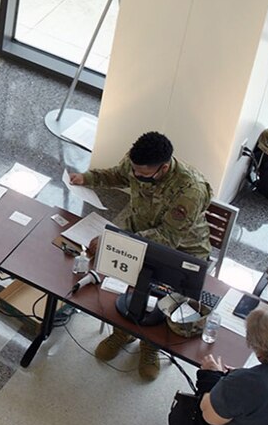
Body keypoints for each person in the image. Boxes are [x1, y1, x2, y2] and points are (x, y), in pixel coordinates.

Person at [71, 130, 213, 380]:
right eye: (136, 171)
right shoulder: (138, 163)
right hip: (139, 233)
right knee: (128, 284)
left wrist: (117, 242)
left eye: (144, 175)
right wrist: (87, 178)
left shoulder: (190, 190)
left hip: (182, 252)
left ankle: (150, 346)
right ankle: (122, 332)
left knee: (163, 298)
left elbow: (168, 237)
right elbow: (119, 174)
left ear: (164, 168)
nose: (137, 176)